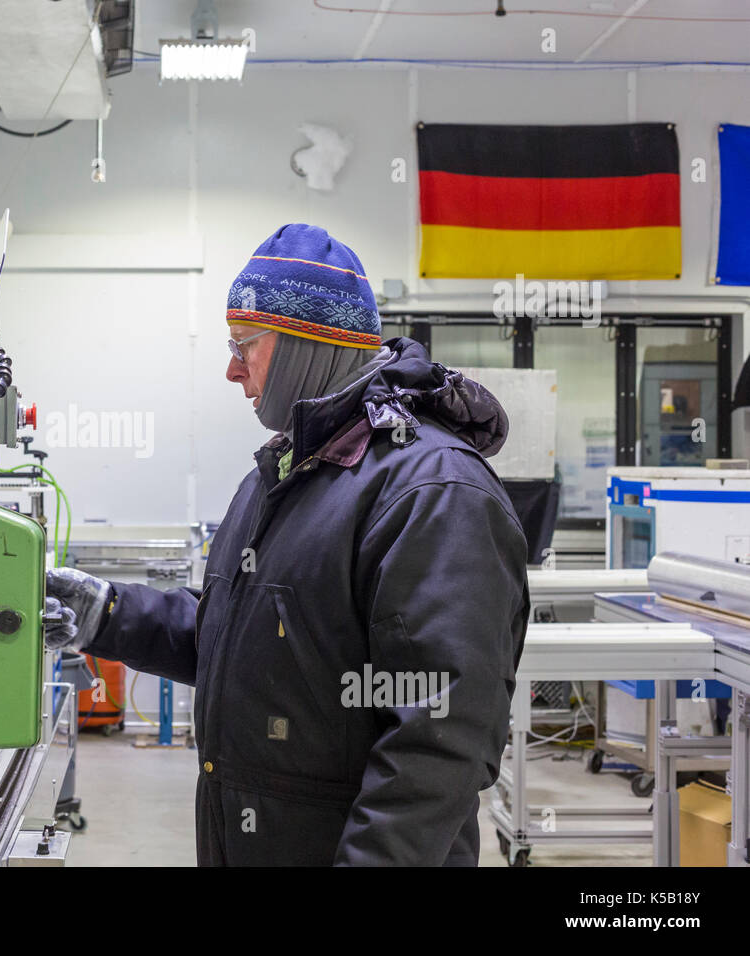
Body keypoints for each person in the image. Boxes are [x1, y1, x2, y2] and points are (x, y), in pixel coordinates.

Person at [44, 223, 530, 866]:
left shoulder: (433, 492)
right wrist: (104, 613)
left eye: (245, 344)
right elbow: (243, 638)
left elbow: (438, 740)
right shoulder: (286, 473)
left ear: (308, 344)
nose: (230, 368)